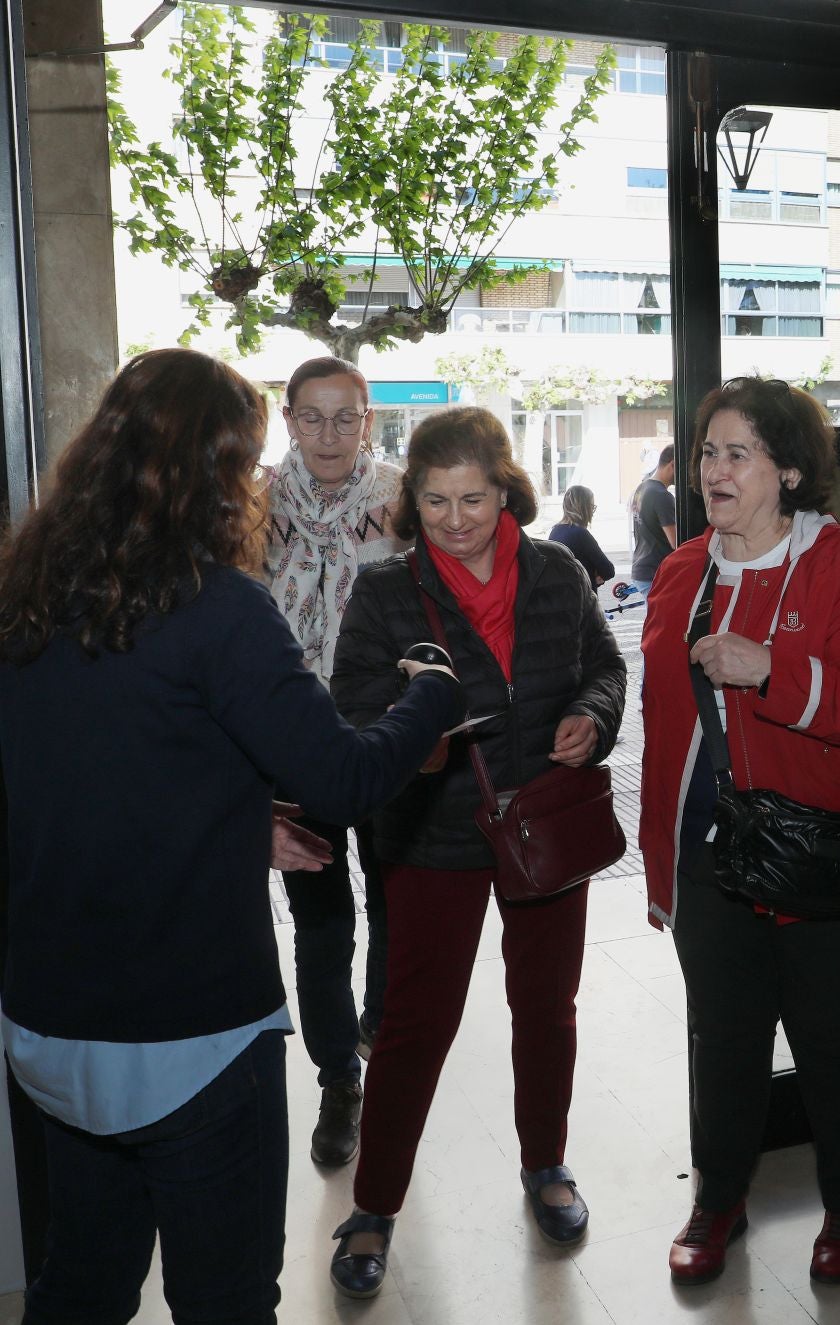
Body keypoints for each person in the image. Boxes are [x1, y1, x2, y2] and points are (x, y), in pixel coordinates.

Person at [0, 348, 466, 1324]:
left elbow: (101, 761)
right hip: (192, 1032)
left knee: (80, 1282)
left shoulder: (27, 594)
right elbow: (340, 779)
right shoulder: (219, 607)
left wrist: (237, 816)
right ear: (212, 468)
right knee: (225, 1300)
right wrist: (430, 695)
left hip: (49, 1023)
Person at [325, 405, 627, 1297]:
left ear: (506, 489)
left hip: (544, 822)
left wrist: (594, 717)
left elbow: (605, 668)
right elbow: (348, 709)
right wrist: (421, 723)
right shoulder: (385, 593)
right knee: (418, 1023)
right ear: (410, 501)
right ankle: (374, 1205)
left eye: (473, 498)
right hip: (432, 833)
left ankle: (546, 1165)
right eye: (434, 500)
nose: (455, 519)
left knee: (548, 1006)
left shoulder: (559, 572)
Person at [638, 376, 840, 1289]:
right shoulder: (681, 573)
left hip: (821, 851)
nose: (713, 471)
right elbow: (665, 729)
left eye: (738, 453)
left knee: (833, 1036)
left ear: (790, 470)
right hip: (709, 855)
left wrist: (774, 671)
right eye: (707, 451)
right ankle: (718, 1197)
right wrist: (660, 867)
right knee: (720, 1037)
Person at [264, 354, 405, 1170]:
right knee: (321, 925)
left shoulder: (401, 498)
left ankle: (381, 1035)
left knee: (394, 904)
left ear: (368, 420)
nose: (327, 433)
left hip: (383, 731)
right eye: (310, 417)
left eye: (343, 417)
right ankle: (334, 1078)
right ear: (288, 419)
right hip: (290, 737)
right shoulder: (250, 503)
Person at [629, 446, 679, 593]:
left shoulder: (642, 488)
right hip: (655, 572)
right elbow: (676, 542)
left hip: (641, 568)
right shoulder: (661, 495)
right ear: (673, 464)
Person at [549, 483, 617, 587]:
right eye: (592, 507)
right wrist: (594, 575)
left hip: (562, 597)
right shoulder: (581, 534)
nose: (592, 512)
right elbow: (608, 571)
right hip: (582, 598)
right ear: (584, 508)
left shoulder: (555, 531)